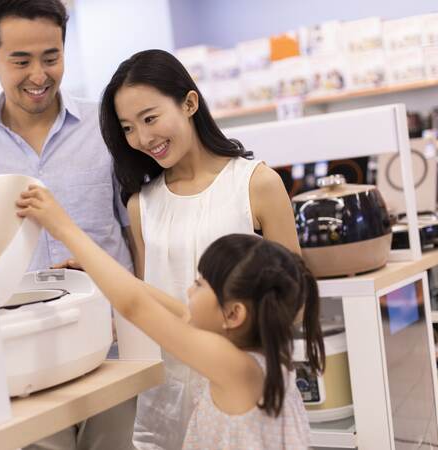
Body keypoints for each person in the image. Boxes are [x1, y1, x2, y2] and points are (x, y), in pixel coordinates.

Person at [98, 49, 302, 449]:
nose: (142, 138)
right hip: (166, 396)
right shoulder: (142, 205)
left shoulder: (256, 185)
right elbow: (147, 301)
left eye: (150, 118)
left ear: (189, 103)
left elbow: (295, 297)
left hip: (242, 394)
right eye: (128, 128)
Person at [16, 186, 325, 449]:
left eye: (200, 283)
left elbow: (136, 306)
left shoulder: (234, 366)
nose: (189, 290)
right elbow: (175, 310)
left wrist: (63, 229)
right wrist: (100, 275)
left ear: (232, 314)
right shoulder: (262, 355)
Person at [0, 1, 136, 448]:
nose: (39, 75)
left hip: (113, 345)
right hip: (22, 355)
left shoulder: (106, 128)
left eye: (51, 58)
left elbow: (136, 233)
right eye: (20, 61)